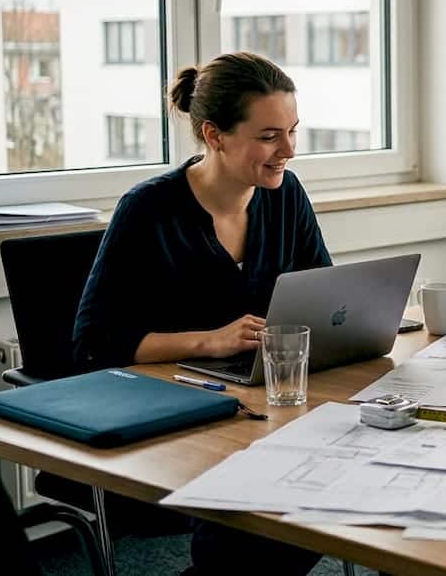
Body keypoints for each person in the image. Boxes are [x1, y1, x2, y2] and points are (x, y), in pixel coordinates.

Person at [72, 51, 330, 574]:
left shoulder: (285, 196)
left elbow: (321, 293)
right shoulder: (148, 209)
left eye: (293, 131)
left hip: (261, 405)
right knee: (260, 527)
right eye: (268, 136)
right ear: (214, 136)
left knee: (326, 490)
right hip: (170, 413)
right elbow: (95, 340)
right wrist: (208, 340)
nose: (289, 150)